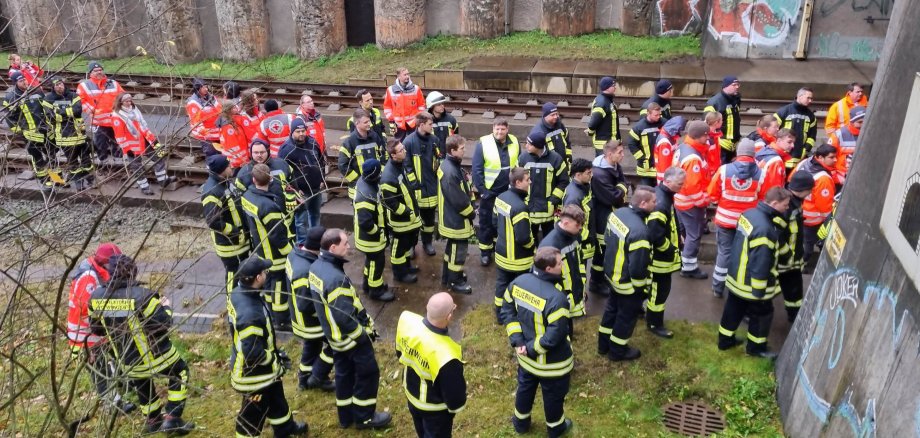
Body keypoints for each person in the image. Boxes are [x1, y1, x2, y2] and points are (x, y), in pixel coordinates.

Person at [89, 255, 194, 435]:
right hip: (155, 355)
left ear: (109, 272)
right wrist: (166, 306)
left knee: (142, 383)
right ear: (133, 272)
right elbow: (163, 324)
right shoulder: (144, 296)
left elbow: (97, 329)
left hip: (127, 361)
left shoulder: (96, 298)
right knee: (181, 371)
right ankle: (172, 418)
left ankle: (153, 421)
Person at [310, 229, 392, 429]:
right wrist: (362, 336)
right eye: (345, 243)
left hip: (335, 339)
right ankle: (365, 417)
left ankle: (346, 417)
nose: (349, 246)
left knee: (344, 375)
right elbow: (345, 318)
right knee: (368, 373)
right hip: (350, 340)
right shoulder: (335, 279)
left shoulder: (316, 267)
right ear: (333, 247)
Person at [229, 256, 310, 438]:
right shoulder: (251, 314)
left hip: (262, 372)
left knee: (276, 398)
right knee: (251, 417)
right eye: (264, 272)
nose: (267, 273)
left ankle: (285, 429)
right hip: (253, 376)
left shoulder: (238, 293)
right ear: (258, 278)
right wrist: (274, 358)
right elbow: (253, 354)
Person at [500, 247, 574, 437]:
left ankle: (521, 423)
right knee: (553, 397)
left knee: (524, 390)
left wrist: (518, 342)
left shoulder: (517, 283)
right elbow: (555, 335)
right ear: (548, 269)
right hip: (553, 364)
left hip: (525, 359)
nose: (563, 265)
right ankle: (556, 427)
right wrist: (532, 348)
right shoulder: (557, 299)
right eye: (559, 263)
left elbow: (507, 311)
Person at [717, 187, 791, 359]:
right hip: (751, 282)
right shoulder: (765, 229)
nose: (787, 208)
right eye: (785, 205)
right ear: (774, 203)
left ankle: (724, 340)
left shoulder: (749, 214)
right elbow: (761, 262)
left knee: (733, 308)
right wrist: (759, 292)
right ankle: (756, 348)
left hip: (736, 274)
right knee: (762, 313)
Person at [67, 243, 135, 414]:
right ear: (105, 263)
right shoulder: (89, 277)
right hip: (84, 335)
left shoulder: (96, 271)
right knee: (100, 370)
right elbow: (88, 307)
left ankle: (125, 385)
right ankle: (113, 406)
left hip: (95, 331)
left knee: (114, 357)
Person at [395, 293, 467, 437]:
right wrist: (455, 408)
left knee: (421, 431)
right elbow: (455, 398)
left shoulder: (407, 321)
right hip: (434, 410)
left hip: (411, 394)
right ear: (449, 316)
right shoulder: (447, 355)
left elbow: (400, 353)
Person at [598, 186, 656, 361]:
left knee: (611, 311)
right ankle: (618, 351)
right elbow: (638, 268)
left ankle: (603, 345)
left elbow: (608, 240)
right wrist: (640, 290)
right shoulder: (640, 232)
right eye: (654, 201)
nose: (656, 204)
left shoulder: (618, 214)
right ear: (644, 203)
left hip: (611, 274)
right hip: (626, 283)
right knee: (625, 318)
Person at [707, 139, 764, 298]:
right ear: (753, 154)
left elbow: (712, 195)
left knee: (724, 253)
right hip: (747, 223)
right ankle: (738, 289)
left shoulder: (724, 170)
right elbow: (764, 199)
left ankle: (718, 287)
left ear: (738, 153)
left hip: (725, 220)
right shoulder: (761, 173)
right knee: (743, 256)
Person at [241, 163, 294, 329]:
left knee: (270, 281)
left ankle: (271, 310)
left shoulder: (247, 196)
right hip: (274, 253)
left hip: (260, 248)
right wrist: (290, 252)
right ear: (270, 179)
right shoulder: (268, 206)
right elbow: (277, 235)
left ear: (253, 179)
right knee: (279, 283)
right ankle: (282, 319)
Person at [286, 227, 336, 391]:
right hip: (308, 322)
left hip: (299, 318)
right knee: (336, 344)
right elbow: (305, 305)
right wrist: (326, 314)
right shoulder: (303, 271)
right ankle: (318, 376)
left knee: (311, 348)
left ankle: (304, 379)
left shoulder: (295, 254)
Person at [471, 119, 520, 266]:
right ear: (493, 129)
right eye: (497, 129)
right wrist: (483, 192)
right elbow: (477, 169)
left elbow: (518, 164)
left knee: (503, 222)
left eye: (502, 129)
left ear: (507, 129)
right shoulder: (483, 143)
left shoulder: (514, 141)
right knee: (486, 223)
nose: (499, 132)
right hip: (490, 192)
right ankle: (485, 252)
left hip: (508, 192)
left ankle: (499, 249)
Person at [201, 154, 250, 296]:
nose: (232, 167)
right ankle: (232, 304)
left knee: (242, 272)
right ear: (221, 170)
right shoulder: (212, 192)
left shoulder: (226, 181)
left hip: (239, 241)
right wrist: (236, 232)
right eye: (228, 166)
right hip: (230, 245)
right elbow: (213, 221)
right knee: (233, 275)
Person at [646, 167, 685, 338]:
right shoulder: (661, 203)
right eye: (679, 184)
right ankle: (654, 323)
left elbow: (670, 221)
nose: (682, 187)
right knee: (659, 291)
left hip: (662, 257)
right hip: (660, 260)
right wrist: (671, 250)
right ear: (667, 181)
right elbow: (656, 236)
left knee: (657, 290)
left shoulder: (664, 196)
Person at [111, 93, 175, 195]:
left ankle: (163, 180)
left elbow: (142, 124)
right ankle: (144, 187)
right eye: (126, 101)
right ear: (120, 102)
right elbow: (119, 136)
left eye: (130, 100)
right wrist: (127, 149)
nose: (129, 103)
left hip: (146, 138)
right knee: (137, 167)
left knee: (159, 155)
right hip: (133, 145)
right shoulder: (117, 116)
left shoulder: (134, 109)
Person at [493, 167, 535, 322]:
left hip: (501, 253)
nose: (530, 181)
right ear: (518, 182)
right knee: (520, 289)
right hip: (518, 259)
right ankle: (518, 316)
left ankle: (499, 314)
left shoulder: (501, 197)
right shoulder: (520, 207)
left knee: (501, 285)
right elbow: (524, 238)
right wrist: (533, 247)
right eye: (527, 179)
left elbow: (494, 222)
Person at [589, 140, 628, 296]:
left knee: (607, 250)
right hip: (601, 218)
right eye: (620, 153)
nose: (623, 155)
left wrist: (621, 188)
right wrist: (622, 188)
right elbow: (614, 197)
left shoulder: (614, 165)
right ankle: (595, 283)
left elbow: (622, 183)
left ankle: (602, 278)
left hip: (609, 215)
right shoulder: (599, 175)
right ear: (609, 154)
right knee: (601, 252)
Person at [674, 121, 712, 280]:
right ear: (700, 136)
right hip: (690, 203)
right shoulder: (693, 158)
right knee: (694, 234)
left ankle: (684, 261)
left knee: (685, 232)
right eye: (706, 136)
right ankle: (689, 267)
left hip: (680, 200)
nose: (708, 139)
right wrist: (703, 201)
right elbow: (692, 187)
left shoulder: (683, 148)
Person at [353, 159, 396, 301]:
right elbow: (365, 223)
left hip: (369, 237)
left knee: (371, 263)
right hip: (370, 239)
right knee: (377, 264)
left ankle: (367, 285)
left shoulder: (365, 182)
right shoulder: (365, 196)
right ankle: (375, 291)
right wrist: (379, 233)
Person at [381, 138, 423, 284]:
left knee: (407, 244)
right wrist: (408, 212)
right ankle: (400, 274)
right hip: (400, 221)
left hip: (408, 219)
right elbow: (391, 202)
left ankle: (406, 267)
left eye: (403, 148)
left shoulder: (399, 165)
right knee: (398, 248)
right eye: (401, 150)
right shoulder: (388, 176)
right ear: (393, 155)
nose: (405, 151)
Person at [438, 135, 475, 294]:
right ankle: (455, 281)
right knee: (458, 251)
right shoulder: (450, 172)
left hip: (451, 217)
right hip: (456, 220)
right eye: (462, 149)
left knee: (451, 249)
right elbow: (458, 200)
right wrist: (471, 213)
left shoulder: (448, 166)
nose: (464, 151)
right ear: (452, 151)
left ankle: (448, 276)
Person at [778, 172, 815, 323]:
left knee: (794, 287)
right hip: (786, 257)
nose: (811, 192)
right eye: (810, 189)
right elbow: (778, 234)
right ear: (802, 189)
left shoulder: (793, 201)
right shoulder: (788, 206)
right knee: (789, 286)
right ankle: (793, 315)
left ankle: (794, 314)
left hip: (792, 256)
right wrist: (787, 254)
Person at [279, 118, 326, 239]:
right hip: (301, 192)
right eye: (298, 131)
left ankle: (315, 240)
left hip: (316, 187)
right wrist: (293, 189)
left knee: (315, 215)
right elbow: (282, 172)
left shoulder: (313, 143)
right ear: (292, 132)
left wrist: (322, 179)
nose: (301, 134)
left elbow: (320, 162)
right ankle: (302, 244)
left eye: (303, 130)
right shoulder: (286, 150)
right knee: (301, 221)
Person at [518, 130, 568, 242]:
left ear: (539, 146)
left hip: (548, 211)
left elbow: (564, 181)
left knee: (549, 241)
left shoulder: (556, 159)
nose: (526, 146)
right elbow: (516, 180)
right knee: (529, 240)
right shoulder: (523, 158)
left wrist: (553, 200)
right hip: (528, 208)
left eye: (529, 144)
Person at [43, 76, 92, 189]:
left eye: (61, 83)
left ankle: (90, 179)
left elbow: (78, 111)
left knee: (86, 160)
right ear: (52, 87)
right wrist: (68, 113)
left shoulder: (73, 95)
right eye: (57, 85)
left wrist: (60, 113)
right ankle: (78, 183)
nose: (60, 86)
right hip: (64, 136)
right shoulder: (48, 99)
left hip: (80, 134)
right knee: (72, 162)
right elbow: (51, 117)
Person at [4, 71, 52, 188]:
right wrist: (20, 130)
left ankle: (56, 178)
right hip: (29, 134)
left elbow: (47, 107)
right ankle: (44, 180)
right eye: (21, 81)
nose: (24, 82)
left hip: (44, 130)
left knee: (51, 156)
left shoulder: (36, 91)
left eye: (24, 79)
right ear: (15, 83)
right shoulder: (12, 97)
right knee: (37, 157)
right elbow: (10, 117)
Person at [539, 204, 588, 318]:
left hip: (575, 289)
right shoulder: (550, 245)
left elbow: (579, 260)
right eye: (577, 225)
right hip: (562, 295)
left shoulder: (575, 234)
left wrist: (582, 281)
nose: (580, 228)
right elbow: (546, 278)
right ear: (566, 223)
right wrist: (562, 296)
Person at [791, 144, 838, 263]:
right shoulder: (823, 178)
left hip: (799, 213)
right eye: (831, 157)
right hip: (814, 220)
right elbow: (825, 207)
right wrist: (830, 221)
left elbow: (790, 179)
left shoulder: (805, 162)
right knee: (811, 247)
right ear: (821, 158)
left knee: (801, 244)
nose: (835, 160)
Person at [405, 112, 442, 256]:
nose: (432, 126)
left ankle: (427, 243)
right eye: (430, 124)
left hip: (431, 188)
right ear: (421, 125)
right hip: (416, 190)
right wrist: (414, 185)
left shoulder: (434, 140)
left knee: (429, 220)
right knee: (414, 221)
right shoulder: (409, 142)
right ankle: (412, 246)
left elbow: (438, 159)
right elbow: (407, 166)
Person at [78, 61, 124, 164]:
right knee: (100, 143)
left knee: (117, 141)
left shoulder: (113, 83)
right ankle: (103, 161)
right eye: (95, 71)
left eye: (100, 70)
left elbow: (122, 96)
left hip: (114, 120)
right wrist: (92, 110)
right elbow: (81, 101)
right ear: (90, 73)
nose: (99, 72)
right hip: (98, 121)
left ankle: (119, 160)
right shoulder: (84, 86)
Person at [339, 108, 387, 199]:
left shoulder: (375, 137)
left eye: (369, 121)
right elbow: (342, 165)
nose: (369, 124)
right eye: (365, 122)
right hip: (358, 191)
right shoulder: (349, 142)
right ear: (357, 123)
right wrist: (358, 180)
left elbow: (384, 156)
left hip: (376, 185)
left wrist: (381, 174)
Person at [563, 158, 594, 281]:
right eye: (588, 173)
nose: (591, 176)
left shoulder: (584, 187)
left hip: (585, 240)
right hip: (581, 242)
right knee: (579, 274)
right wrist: (586, 237)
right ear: (578, 174)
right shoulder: (574, 196)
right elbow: (571, 224)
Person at [774, 88, 817, 170]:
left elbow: (812, 137)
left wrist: (806, 150)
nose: (810, 101)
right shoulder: (783, 112)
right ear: (800, 96)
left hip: (799, 159)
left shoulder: (811, 116)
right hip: (782, 158)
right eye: (808, 98)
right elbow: (772, 132)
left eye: (811, 98)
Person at [704, 76, 741, 164]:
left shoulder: (735, 99)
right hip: (721, 145)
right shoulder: (714, 102)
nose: (737, 87)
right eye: (734, 85)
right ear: (725, 86)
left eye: (738, 84)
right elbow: (706, 123)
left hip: (733, 145)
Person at [627, 102, 664, 187]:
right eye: (656, 115)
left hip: (659, 166)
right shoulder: (639, 127)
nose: (659, 117)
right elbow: (631, 144)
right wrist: (641, 158)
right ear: (648, 113)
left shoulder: (664, 123)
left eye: (660, 114)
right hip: (646, 168)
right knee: (647, 193)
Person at [384, 67, 426, 140]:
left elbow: (421, 105)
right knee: (398, 145)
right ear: (399, 76)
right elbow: (387, 107)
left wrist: (418, 119)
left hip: (413, 123)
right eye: (405, 75)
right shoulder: (390, 90)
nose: (407, 77)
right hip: (398, 124)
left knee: (414, 143)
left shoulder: (416, 89)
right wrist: (391, 119)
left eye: (408, 74)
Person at [185, 78, 223, 157]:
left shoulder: (211, 98)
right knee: (211, 154)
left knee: (220, 155)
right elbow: (197, 123)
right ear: (197, 89)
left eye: (206, 87)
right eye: (203, 87)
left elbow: (220, 110)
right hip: (206, 135)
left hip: (217, 132)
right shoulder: (193, 103)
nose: (206, 89)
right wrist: (207, 136)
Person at [828, 106, 864, 182]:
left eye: (864, 121)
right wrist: (836, 178)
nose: (862, 125)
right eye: (859, 122)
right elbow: (827, 158)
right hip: (842, 177)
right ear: (852, 122)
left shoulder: (870, 133)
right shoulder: (838, 135)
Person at [586, 76, 621, 156]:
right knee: (604, 166)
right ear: (607, 88)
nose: (615, 88)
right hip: (604, 144)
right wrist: (590, 132)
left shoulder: (606, 100)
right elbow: (593, 123)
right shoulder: (602, 103)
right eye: (613, 86)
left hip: (608, 143)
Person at [219, 102, 251, 170]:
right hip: (237, 161)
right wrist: (241, 160)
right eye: (234, 108)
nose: (236, 109)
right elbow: (232, 146)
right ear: (229, 110)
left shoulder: (231, 121)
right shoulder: (227, 127)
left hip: (240, 159)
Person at [654, 116, 686, 183]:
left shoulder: (668, 137)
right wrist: (668, 182)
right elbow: (664, 165)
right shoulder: (665, 143)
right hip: (666, 180)